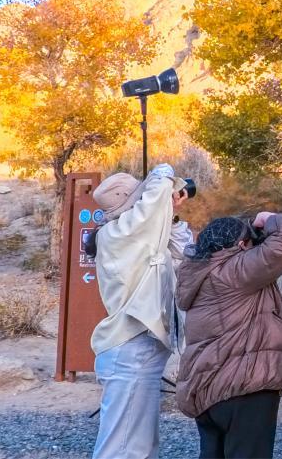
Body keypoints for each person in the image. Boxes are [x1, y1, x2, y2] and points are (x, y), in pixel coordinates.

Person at [174, 212, 282, 459]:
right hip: (243, 388)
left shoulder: (198, 270)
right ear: (242, 245)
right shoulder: (234, 271)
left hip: (206, 386)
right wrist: (268, 218)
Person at [91, 164, 193, 459]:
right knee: (121, 449)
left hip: (139, 352)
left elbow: (185, 251)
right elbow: (152, 200)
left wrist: (170, 215)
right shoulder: (117, 234)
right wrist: (161, 175)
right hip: (128, 352)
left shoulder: (139, 237)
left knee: (142, 447)